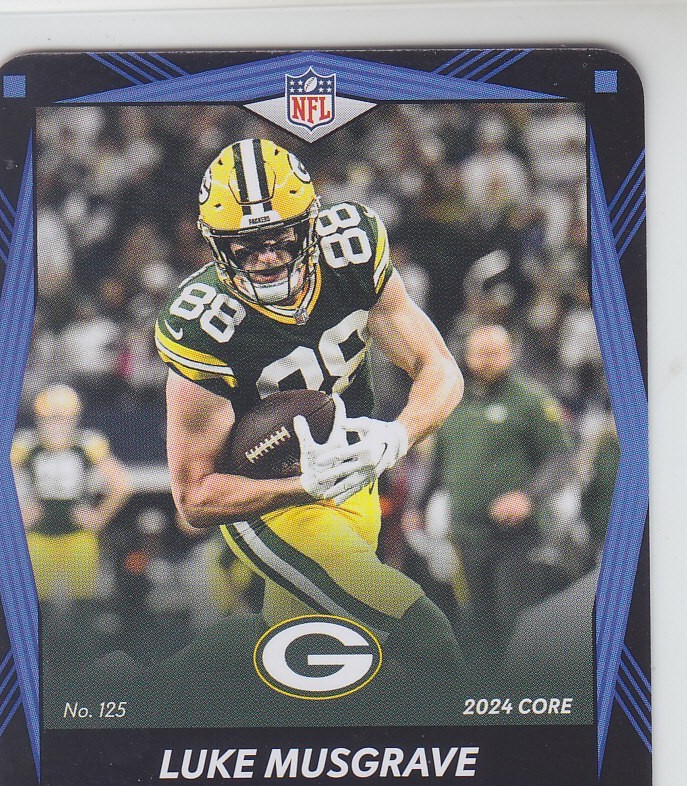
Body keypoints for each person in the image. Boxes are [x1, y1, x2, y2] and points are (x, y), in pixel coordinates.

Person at [154, 138, 466, 688]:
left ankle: (146, 687)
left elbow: (439, 367)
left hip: (358, 477)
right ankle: (477, 728)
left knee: (299, 646)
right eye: (246, 246)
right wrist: (302, 486)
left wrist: (396, 437)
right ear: (216, 245)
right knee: (415, 628)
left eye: (280, 238)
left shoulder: (352, 251)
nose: (268, 257)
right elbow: (194, 498)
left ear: (311, 223)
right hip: (269, 502)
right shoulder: (202, 326)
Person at [407, 324, 570, 661]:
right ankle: (481, 689)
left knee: (517, 622)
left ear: (510, 354)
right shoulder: (453, 402)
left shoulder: (531, 399)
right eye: (480, 353)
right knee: (474, 623)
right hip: (465, 533)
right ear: (466, 356)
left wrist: (528, 497)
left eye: (494, 353)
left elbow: (560, 458)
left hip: (516, 536)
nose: (486, 360)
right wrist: (416, 506)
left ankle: (524, 689)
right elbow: (436, 464)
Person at [11, 385, 132, 603]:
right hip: (37, 535)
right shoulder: (25, 445)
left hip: (78, 535)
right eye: (51, 419)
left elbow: (122, 485)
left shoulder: (88, 443)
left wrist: (100, 516)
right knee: (37, 602)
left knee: (83, 602)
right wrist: (16, 517)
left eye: (63, 419)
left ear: (74, 419)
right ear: (39, 419)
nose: (57, 426)